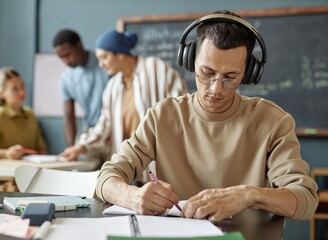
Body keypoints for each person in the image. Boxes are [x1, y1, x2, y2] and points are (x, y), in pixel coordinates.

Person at [95, 10, 318, 222]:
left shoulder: (273, 121)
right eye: (207, 73)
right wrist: (130, 196)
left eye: (230, 77)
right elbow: (105, 179)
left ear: (249, 72)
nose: (215, 89)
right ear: (190, 61)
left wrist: (249, 195)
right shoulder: (162, 116)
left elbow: (305, 200)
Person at [59, 30, 189, 172]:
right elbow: (104, 126)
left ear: (119, 54)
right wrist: (81, 146)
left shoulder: (155, 68)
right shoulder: (113, 86)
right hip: (131, 167)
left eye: (104, 57)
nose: (101, 64)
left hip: (160, 163)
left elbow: (182, 105)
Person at [0, 67, 47, 159]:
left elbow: (41, 149)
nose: (21, 92)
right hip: (6, 171)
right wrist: (6, 153)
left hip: (30, 170)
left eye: (22, 86)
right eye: (15, 88)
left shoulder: (30, 114)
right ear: (1, 93)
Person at [53, 29, 109, 147]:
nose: (66, 61)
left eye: (68, 55)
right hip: (90, 132)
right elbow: (69, 115)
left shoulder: (105, 63)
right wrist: (70, 146)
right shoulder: (66, 79)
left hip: (113, 130)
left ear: (79, 45)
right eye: (61, 58)